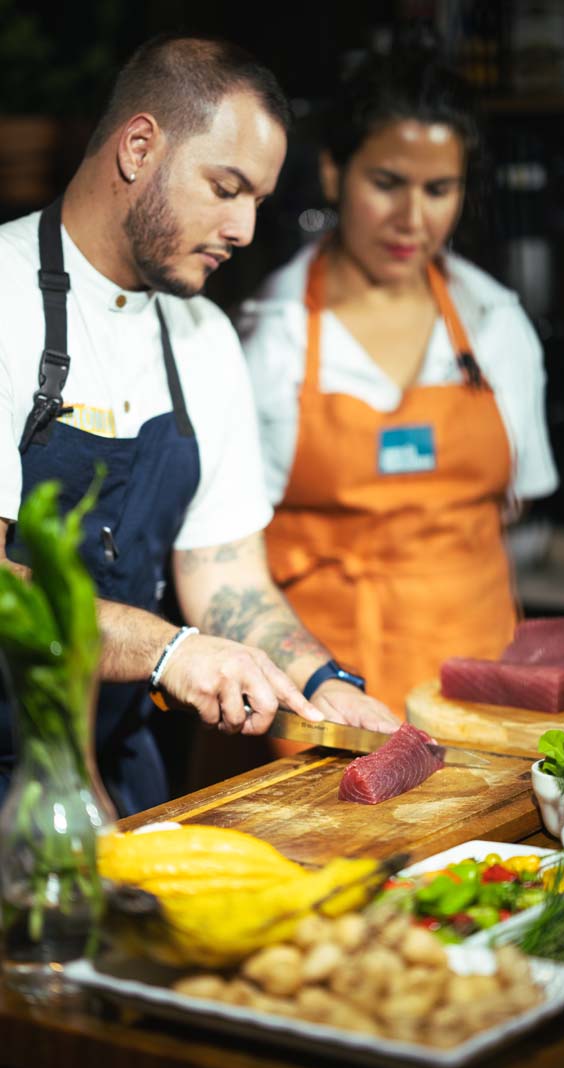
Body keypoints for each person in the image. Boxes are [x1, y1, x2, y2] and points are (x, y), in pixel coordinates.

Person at [0, 34, 398, 816]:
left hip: (118, 775)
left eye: (258, 201)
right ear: (139, 146)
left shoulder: (204, 341)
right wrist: (167, 651)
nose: (245, 228)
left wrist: (322, 687)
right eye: (227, 188)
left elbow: (228, 577)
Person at [238, 43, 558, 717]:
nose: (413, 219)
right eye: (387, 183)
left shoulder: (495, 324)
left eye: (439, 190)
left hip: (478, 695)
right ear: (333, 173)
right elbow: (226, 546)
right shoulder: (273, 333)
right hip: (312, 705)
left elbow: (518, 502)